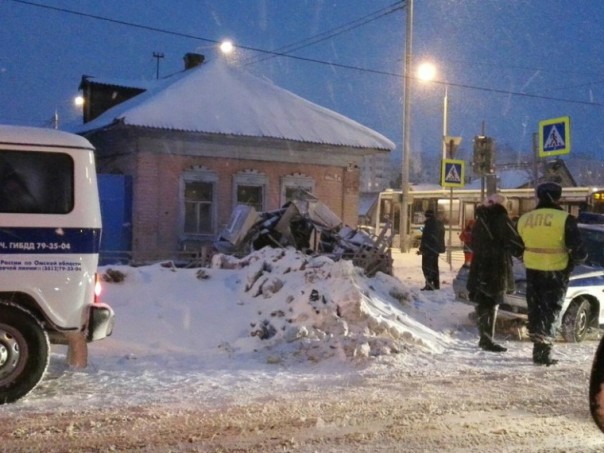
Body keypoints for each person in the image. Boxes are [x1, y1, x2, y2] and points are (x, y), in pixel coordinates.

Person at [516, 182, 587, 366]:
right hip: (556, 270)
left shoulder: (525, 219)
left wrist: (526, 256)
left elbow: (516, 247)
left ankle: (537, 348)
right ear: (557, 198)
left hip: (532, 270)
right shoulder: (565, 219)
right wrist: (574, 262)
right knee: (552, 309)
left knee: (536, 307)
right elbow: (578, 251)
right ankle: (544, 352)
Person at [467, 193, 523, 352]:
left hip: (479, 265)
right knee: (492, 300)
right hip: (496, 266)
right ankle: (487, 340)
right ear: (503, 205)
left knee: (484, 301)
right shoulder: (501, 219)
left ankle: (485, 338)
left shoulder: (479, 220)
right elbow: (515, 243)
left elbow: (473, 242)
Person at [417, 209, 445, 290]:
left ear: (427, 216)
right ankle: (436, 284)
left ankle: (429, 284)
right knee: (434, 267)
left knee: (426, 267)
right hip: (435, 250)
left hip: (428, 250)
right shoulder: (439, 223)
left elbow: (426, 238)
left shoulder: (429, 225)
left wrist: (422, 249)